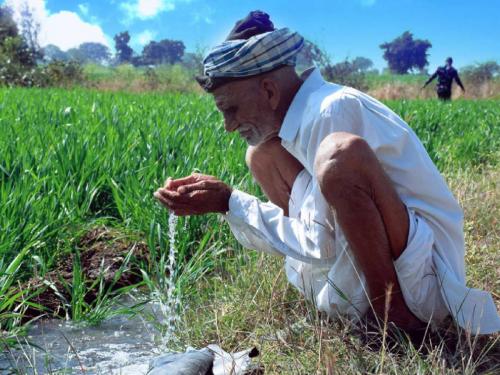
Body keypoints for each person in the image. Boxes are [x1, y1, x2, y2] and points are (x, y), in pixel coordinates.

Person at [154, 11, 499, 336]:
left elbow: (320, 242)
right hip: (389, 249)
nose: (228, 126)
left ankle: (393, 314)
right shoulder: (300, 120)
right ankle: (345, 298)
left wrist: (229, 202)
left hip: (424, 278)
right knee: (260, 153)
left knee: (338, 157)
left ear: (270, 91)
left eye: (230, 109)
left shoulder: (329, 111)